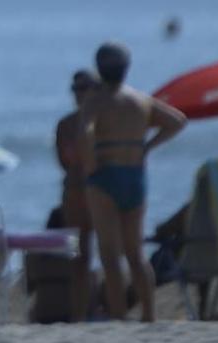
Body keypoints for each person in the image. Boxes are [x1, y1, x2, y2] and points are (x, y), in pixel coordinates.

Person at [78, 42, 187, 323]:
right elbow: (177, 121)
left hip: (105, 176)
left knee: (110, 255)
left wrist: (89, 163)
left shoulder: (95, 100)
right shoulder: (140, 100)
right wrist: (148, 146)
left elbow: (86, 132)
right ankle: (149, 315)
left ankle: (118, 316)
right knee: (136, 253)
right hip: (134, 175)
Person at [51, 71, 99, 322]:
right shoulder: (65, 124)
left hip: (99, 192)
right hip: (75, 193)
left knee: (114, 256)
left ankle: (112, 312)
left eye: (85, 88)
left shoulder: (105, 121)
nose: (79, 94)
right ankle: (80, 316)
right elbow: (65, 162)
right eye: (76, 89)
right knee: (79, 260)